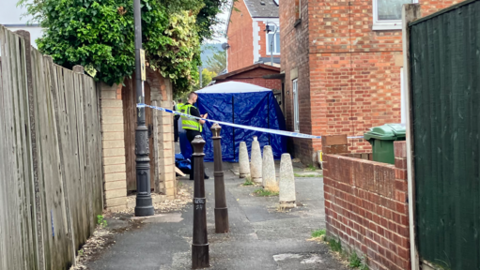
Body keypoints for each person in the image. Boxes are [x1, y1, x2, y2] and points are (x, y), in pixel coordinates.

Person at [181, 92, 209, 180]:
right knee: (198, 154)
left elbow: (190, 118)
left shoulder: (183, 108)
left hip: (188, 132)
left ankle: (195, 174)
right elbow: (202, 121)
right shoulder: (193, 108)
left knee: (195, 153)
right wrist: (205, 116)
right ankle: (199, 174)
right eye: (196, 98)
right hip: (195, 133)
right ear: (193, 98)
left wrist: (198, 116)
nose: (196, 100)